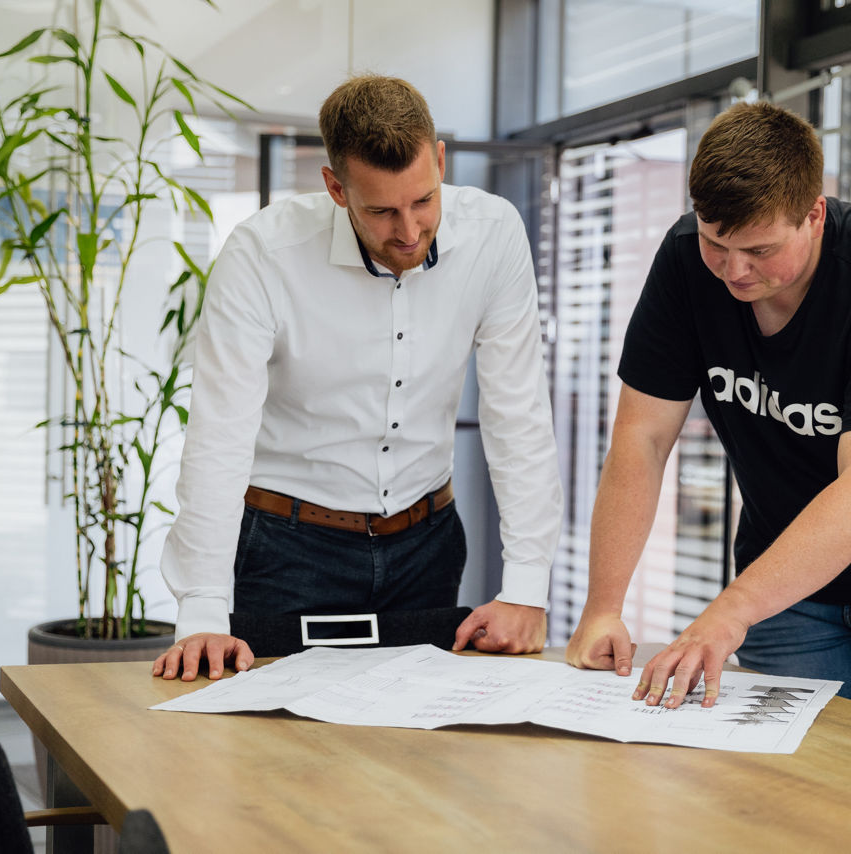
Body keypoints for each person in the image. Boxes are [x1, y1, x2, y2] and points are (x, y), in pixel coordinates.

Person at [565, 100, 851, 719]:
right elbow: (642, 439)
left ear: (814, 215)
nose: (733, 270)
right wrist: (602, 607)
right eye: (715, 242)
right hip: (787, 551)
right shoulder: (685, 262)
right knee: (794, 754)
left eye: (760, 249)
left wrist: (728, 613)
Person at [153, 74, 562, 681]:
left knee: (416, 732)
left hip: (427, 545)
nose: (410, 231)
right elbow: (220, 434)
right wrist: (202, 608)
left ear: (440, 161)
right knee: (268, 736)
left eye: (423, 200)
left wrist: (527, 588)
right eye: (381, 211)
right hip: (287, 549)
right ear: (336, 188)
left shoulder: (494, 234)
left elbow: (517, 413)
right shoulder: (262, 255)